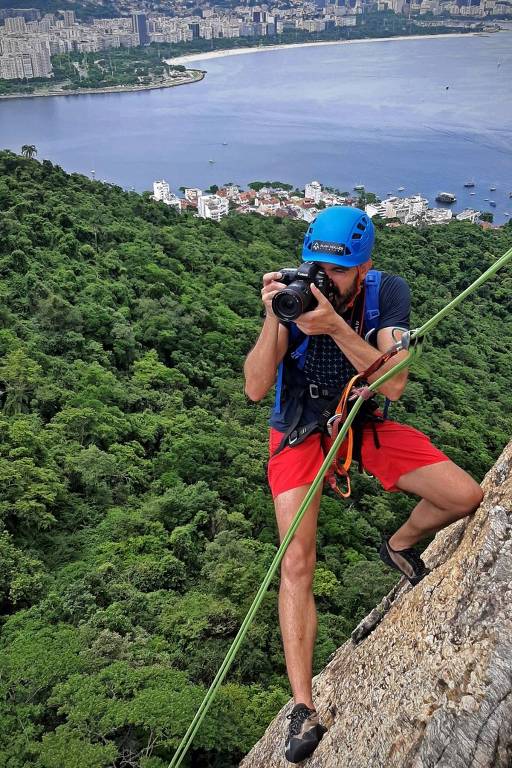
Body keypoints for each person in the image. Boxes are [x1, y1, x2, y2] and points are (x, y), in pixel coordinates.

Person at [243, 206, 483, 764]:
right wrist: (275, 319)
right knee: (296, 563)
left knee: (465, 497)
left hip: (358, 420)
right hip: (301, 428)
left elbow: (393, 383)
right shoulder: (294, 296)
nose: (326, 279)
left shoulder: (385, 293)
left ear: (364, 266)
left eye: (340, 270)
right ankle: (302, 708)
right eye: (317, 266)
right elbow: (256, 389)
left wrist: (334, 326)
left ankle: (398, 544)